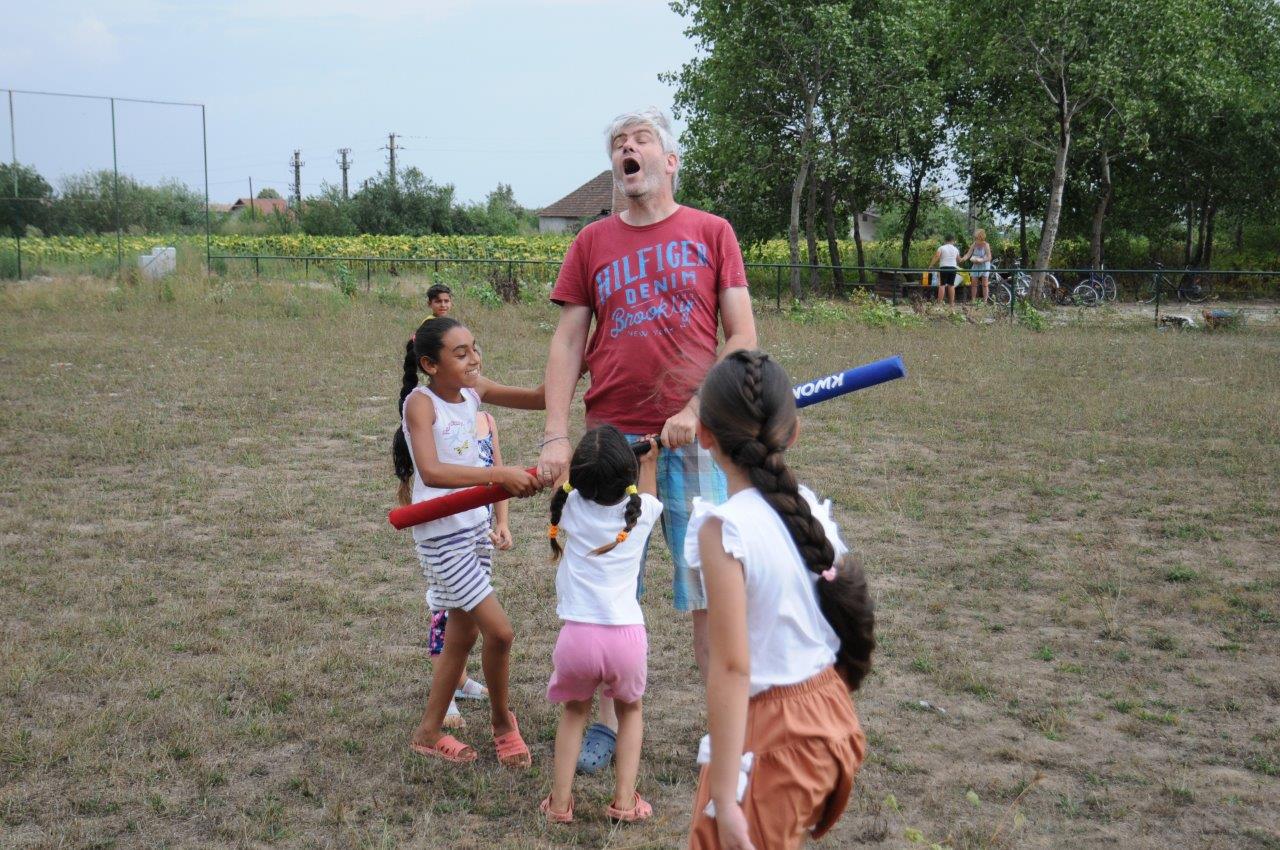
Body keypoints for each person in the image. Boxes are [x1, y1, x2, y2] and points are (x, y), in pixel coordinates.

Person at [537, 106, 758, 774]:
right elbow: (569, 339)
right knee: (605, 591)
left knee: (706, 593)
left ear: (670, 160)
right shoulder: (592, 243)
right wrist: (555, 435)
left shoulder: (711, 232)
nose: (626, 149)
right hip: (614, 446)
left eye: (640, 140)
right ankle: (604, 725)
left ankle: (723, 731)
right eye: (617, 144)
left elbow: (743, 337)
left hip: (698, 443)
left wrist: (697, 405)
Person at [685, 350, 875, 850]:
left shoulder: (722, 528)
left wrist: (725, 798)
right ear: (793, 433)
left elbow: (730, 667)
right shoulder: (806, 505)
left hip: (775, 733)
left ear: (704, 435)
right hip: (830, 712)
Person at [393, 316, 544, 766]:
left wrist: (577, 365)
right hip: (442, 534)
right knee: (500, 631)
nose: (474, 358)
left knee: (462, 634)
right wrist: (497, 476)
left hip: (474, 528)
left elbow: (538, 398)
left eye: (475, 348)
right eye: (460, 353)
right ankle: (502, 722)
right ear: (429, 364)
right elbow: (432, 472)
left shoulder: (474, 393)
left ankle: (427, 732)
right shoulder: (421, 404)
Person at [539, 428, 663, 825]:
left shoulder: (568, 507)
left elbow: (562, 481)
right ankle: (625, 802)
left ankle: (559, 804)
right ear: (626, 474)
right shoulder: (641, 513)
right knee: (630, 713)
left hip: (577, 638)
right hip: (625, 639)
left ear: (578, 477)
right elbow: (650, 492)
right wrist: (651, 458)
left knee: (574, 713)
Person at [960, 229, 991, 303]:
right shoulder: (974, 244)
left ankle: (985, 301)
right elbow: (968, 254)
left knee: (985, 284)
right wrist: (963, 259)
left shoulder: (986, 245)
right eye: (975, 237)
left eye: (977, 237)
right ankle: (973, 300)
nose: (976, 238)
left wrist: (981, 260)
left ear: (981, 237)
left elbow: (989, 257)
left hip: (984, 265)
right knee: (973, 283)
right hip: (976, 265)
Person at [931, 235, 961, 306]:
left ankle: (939, 303)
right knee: (951, 285)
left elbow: (937, 257)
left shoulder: (941, 248)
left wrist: (931, 265)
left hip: (944, 267)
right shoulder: (955, 249)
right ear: (953, 241)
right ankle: (951, 303)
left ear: (945, 241)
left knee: (942, 285)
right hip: (953, 268)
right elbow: (959, 259)